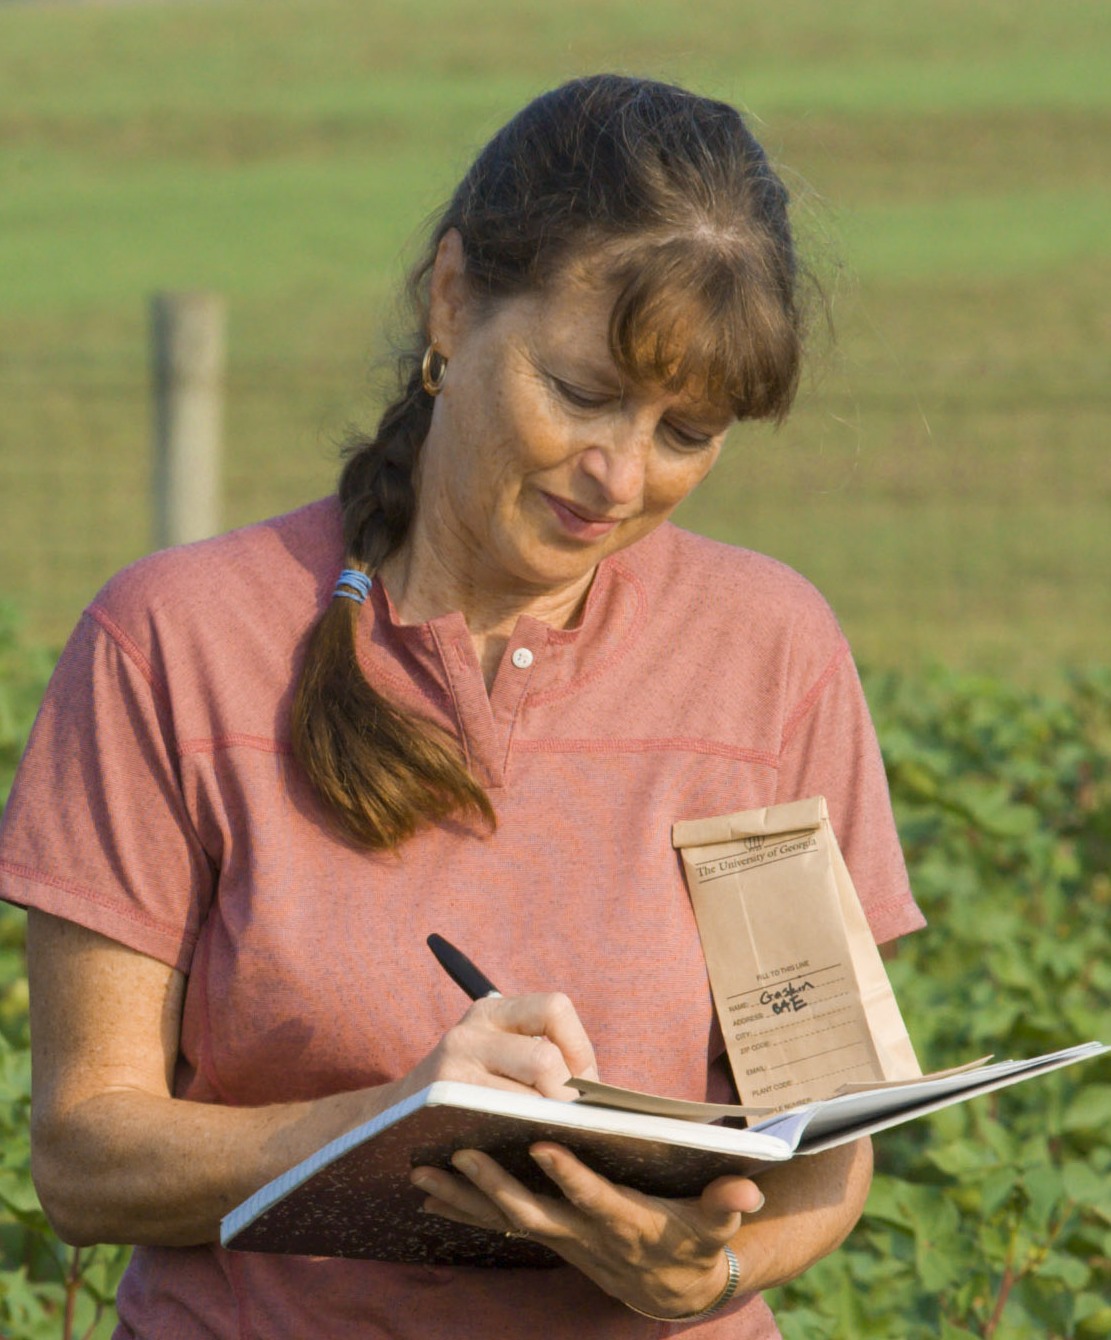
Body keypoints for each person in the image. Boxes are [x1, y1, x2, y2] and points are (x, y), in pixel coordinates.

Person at [0, 74, 924, 1338]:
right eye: (582, 393)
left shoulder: (770, 654)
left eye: (686, 431)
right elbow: (86, 1154)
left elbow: (825, 1145)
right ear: (453, 300)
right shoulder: (170, 644)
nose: (619, 475)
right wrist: (394, 1121)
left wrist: (708, 1270)